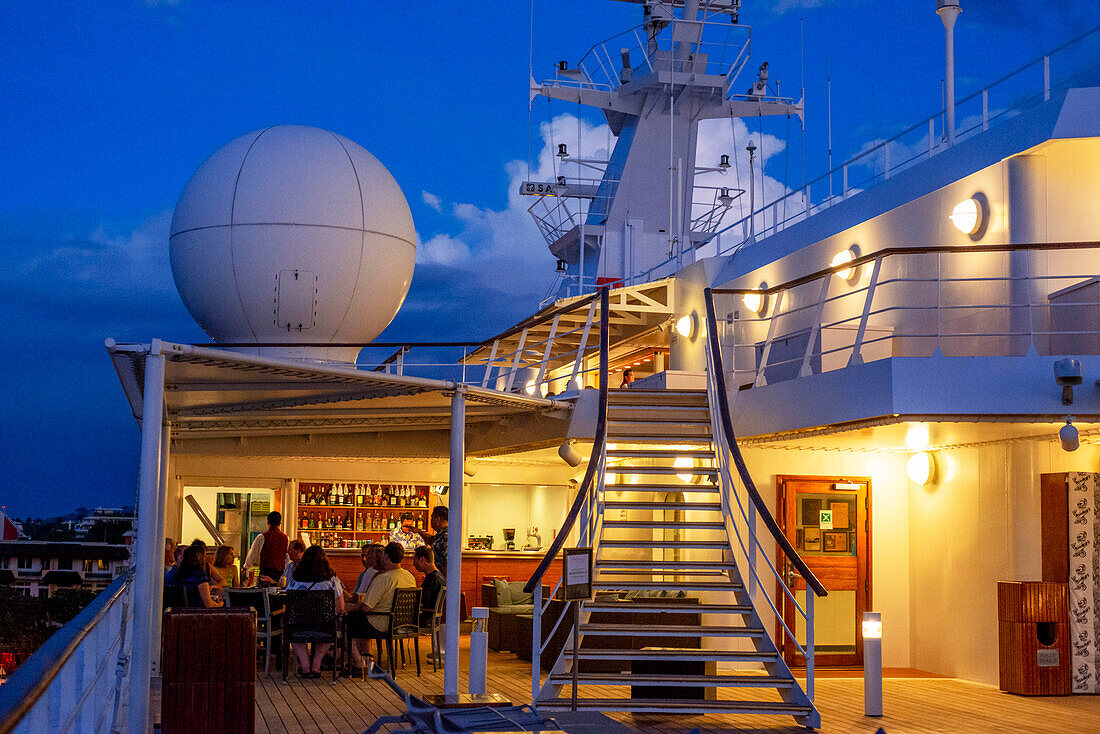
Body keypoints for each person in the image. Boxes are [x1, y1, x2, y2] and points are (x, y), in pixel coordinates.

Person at [346, 542, 415, 676]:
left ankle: (358, 663)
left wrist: (347, 607)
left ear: (387, 557)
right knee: (359, 620)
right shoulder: (409, 576)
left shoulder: (383, 579)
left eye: (382, 554)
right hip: (401, 623)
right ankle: (367, 657)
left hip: (381, 623)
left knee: (347, 622)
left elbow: (366, 607)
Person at [285, 545, 345, 678]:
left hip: (298, 625)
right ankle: (316, 665)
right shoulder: (332, 581)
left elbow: (288, 601)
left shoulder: (295, 581)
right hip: (325, 626)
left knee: (294, 634)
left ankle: (306, 666)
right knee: (333, 626)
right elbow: (341, 607)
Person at [242, 511, 289, 584]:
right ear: (280, 523)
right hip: (280, 573)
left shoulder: (261, 537)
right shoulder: (286, 538)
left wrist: (246, 566)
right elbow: (287, 558)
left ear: (267, 522)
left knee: (264, 593)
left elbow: (252, 554)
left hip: (265, 573)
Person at [413, 546, 444, 629]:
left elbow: (422, 602)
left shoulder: (432, 579)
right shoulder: (439, 576)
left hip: (425, 619)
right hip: (434, 618)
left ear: (422, 559)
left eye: (415, 560)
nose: (413, 563)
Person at [415, 505, 449, 577]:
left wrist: (445, 584)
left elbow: (447, 562)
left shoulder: (446, 535)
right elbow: (432, 540)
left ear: (437, 519)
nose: (430, 521)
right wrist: (419, 531)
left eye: (432, 518)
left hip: (441, 578)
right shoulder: (441, 534)